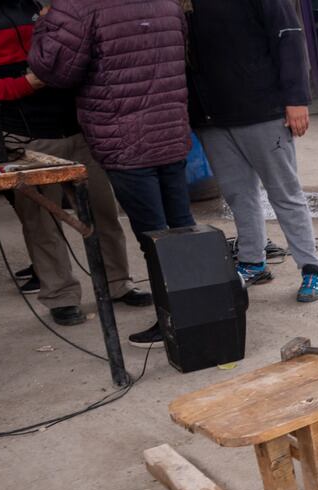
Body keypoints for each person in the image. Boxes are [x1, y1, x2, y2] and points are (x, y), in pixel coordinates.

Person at [29, 0, 194, 347]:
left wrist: (45, 23)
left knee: (154, 237)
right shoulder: (168, 5)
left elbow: (54, 70)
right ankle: (199, 312)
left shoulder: (78, 8)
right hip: (170, 129)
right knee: (182, 229)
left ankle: (176, 321)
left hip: (125, 138)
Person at [0, 0, 149, 325]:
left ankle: (117, 282)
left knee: (102, 211)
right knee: (41, 220)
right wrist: (17, 87)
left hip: (76, 126)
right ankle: (60, 296)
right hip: (22, 134)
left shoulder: (36, 5)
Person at [186, 0, 318, 303]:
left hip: (263, 110)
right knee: (238, 194)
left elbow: (289, 37)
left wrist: (297, 99)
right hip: (212, 118)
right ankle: (252, 261)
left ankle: (311, 267)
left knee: (284, 192)